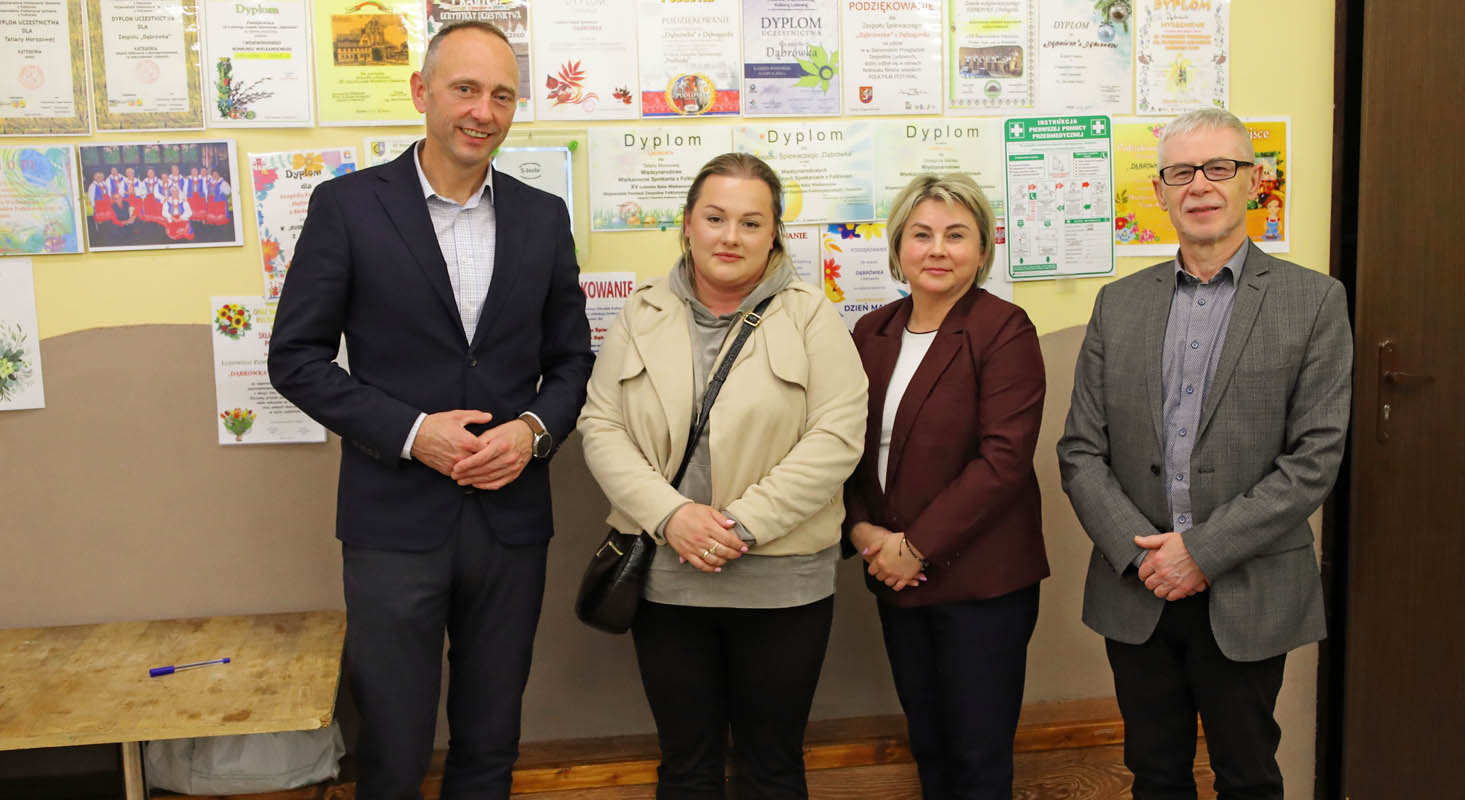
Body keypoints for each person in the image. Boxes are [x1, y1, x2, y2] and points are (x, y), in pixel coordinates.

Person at [267, 20, 592, 800]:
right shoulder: (348, 207)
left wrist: (532, 432)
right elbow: (296, 358)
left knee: (491, 740)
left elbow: (572, 361)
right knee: (393, 745)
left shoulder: (543, 217)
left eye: (502, 96)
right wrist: (414, 434)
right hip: (393, 523)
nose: (484, 111)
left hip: (510, 521)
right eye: (465, 89)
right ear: (422, 92)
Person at [1057, 107, 1353, 799]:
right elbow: (1080, 450)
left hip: (1247, 588)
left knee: (1247, 777)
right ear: (1160, 192)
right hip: (1138, 588)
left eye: (1219, 167)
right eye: (1181, 172)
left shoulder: (1313, 301)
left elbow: (1314, 459)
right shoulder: (1118, 304)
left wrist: (1201, 552)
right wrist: (1145, 558)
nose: (1200, 185)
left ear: (1253, 181)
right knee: (1154, 775)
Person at [577, 152, 868, 799]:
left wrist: (738, 526)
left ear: (774, 234)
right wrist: (672, 516)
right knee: (687, 767)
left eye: (750, 222)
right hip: (668, 578)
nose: (730, 237)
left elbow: (836, 438)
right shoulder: (641, 313)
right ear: (687, 224)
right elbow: (601, 425)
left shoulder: (811, 316)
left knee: (772, 767)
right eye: (715, 218)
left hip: (783, 583)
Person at [842, 174, 1049, 800]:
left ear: (982, 250)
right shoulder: (869, 333)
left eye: (956, 235)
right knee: (929, 747)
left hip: (982, 584)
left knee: (977, 760)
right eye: (921, 234)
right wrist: (862, 530)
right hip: (893, 575)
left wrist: (915, 547)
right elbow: (842, 447)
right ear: (897, 247)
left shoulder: (1003, 328)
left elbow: (1003, 460)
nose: (937, 250)